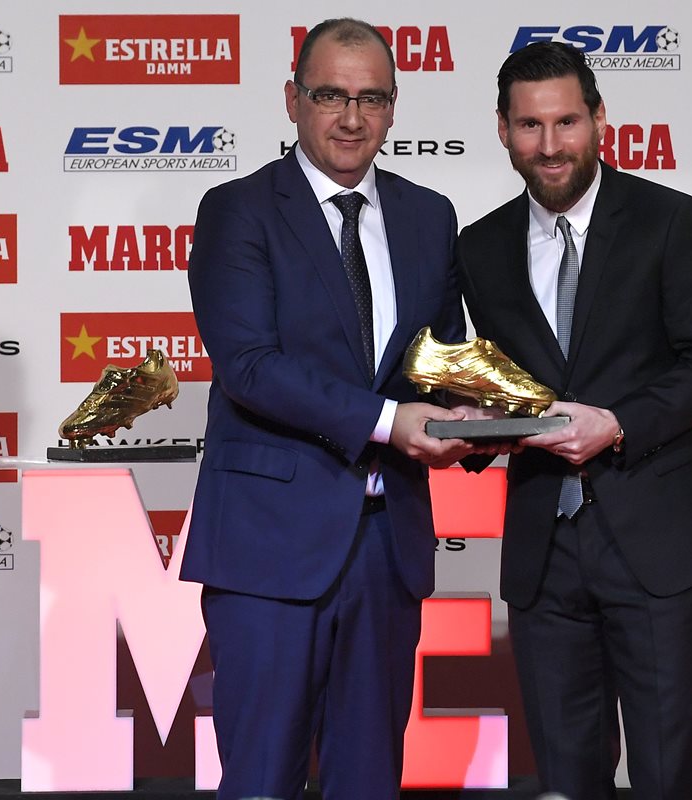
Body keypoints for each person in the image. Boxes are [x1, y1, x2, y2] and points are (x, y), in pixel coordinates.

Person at [180, 18, 477, 800]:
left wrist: (478, 418)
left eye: (371, 98)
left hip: (388, 548)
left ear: (392, 107)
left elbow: (440, 361)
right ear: (293, 100)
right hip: (269, 551)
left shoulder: (429, 215)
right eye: (330, 96)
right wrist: (390, 421)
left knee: (370, 778)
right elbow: (248, 366)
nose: (351, 118)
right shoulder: (238, 210)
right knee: (263, 779)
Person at [455, 42, 692, 800]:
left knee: (666, 773)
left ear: (600, 120)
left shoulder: (672, 221)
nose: (550, 145)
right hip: (542, 551)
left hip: (655, 542)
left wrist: (616, 422)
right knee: (564, 774)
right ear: (502, 129)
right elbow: (498, 388)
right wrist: (468, 424)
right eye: (529, 126)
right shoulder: (478, 248)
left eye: (566, 122)